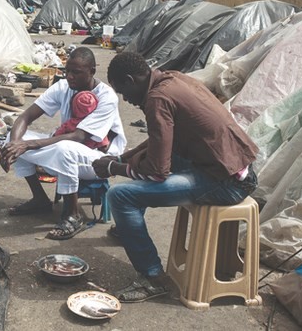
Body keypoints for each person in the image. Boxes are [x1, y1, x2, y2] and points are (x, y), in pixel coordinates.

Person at [93, 52, 259, 302]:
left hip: (226, 183)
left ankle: (152, 277)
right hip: (232, 167)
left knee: (120, 196)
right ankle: (128, 228)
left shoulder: (157, 99)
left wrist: (112, 169)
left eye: (123, 92)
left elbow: (157, 171)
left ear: (130, 79)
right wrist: (122, 160)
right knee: (145, 161)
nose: (125, 99)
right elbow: (161, 143)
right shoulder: (172, 79)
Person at [0, 47, 126, 240]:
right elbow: (26, 116)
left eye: (76, 72)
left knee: (63, 148)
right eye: (67, 71)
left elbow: (79, 137)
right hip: (67, 150)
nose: (69, 76)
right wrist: (14, 145)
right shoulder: (63, 87)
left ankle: (73, 214)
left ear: (92, 71)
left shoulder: (106, 96)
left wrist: (29, 145)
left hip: (100, 160)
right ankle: (40, 199)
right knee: (13, 138)